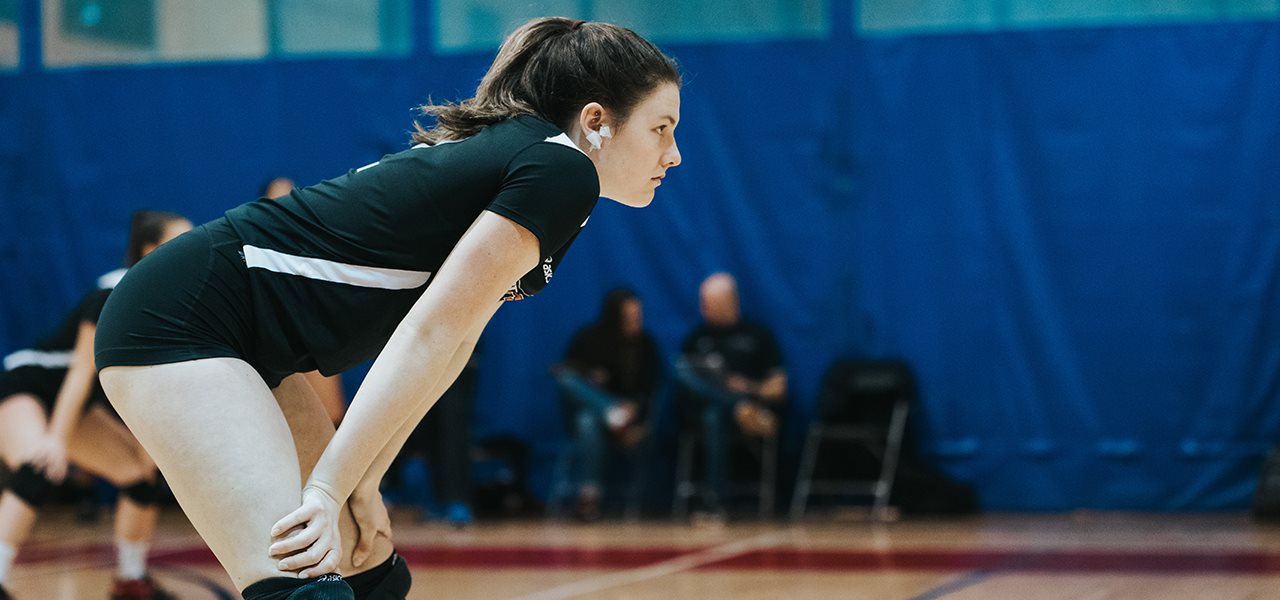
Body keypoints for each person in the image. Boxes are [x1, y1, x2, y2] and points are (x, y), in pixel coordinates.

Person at [94, 16, 682, 600]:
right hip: (179, 319)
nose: (673, 153)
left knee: (369, 568)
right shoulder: (561, 169)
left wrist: (363, 479)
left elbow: (453, 344)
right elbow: (426, 333)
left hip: (250, 342)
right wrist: (326, 488)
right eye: (661, 128)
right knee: (304, 581)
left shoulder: (548, 172)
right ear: (596, 120)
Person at [0, 210, 192, 600]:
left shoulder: (170, 309)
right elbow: (81, 371)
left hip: (78, 403)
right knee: (38, 468)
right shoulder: (115, 290)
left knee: (140, 479)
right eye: (181, 240)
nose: (192, 249)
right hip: (28, 382)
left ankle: (130, 581)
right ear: (150, 250)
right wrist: (57, 438)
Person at [676, 273, 787, 520]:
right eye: (703, 303)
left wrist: (747, 387)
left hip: (740, 413)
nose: (704, 309)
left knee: (714, 416)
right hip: (702, 412)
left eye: (710, 303)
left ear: (731, 300)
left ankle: (714, 503)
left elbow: (779, 388)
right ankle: (737, 407)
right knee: (682, 371)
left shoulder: (758, 336)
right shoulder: (698, 338)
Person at [557, 288, 662, 520]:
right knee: (583, 412)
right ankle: (610, 411)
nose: (636, 322)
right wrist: (593, 378)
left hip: (631, 418)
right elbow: (567, 370)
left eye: (638, 316)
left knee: (588, 421)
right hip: (593, 416)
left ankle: (589, 497)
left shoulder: (646, 345)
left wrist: (634, 409)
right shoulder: (589, 337)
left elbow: (650, 389)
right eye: (629, 317)